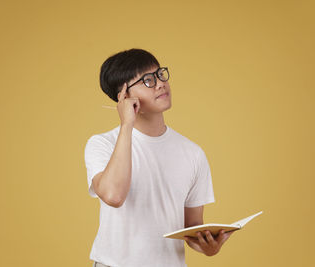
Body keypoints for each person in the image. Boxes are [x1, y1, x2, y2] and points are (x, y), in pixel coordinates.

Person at [84, 48, 233, 267]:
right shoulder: (102, 144)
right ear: (124, 95)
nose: (160, 83)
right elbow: (113, 196)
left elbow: (192, 225)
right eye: (147, 80)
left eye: (160, 74)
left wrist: (208, 247)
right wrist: (127, 124)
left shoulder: (193, 153)